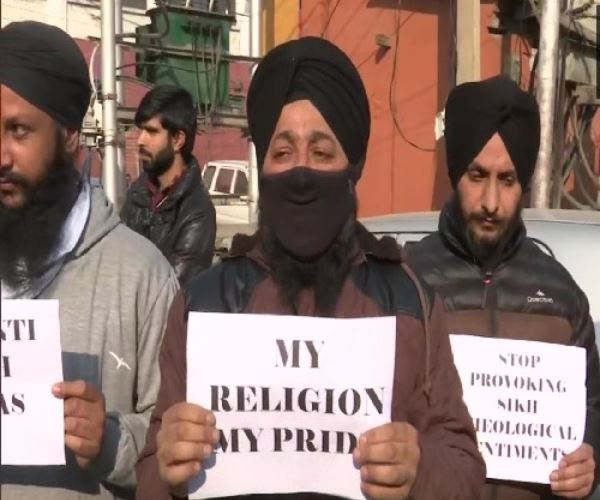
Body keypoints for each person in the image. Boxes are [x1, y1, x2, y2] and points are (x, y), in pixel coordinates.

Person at [135, 36, 485, 500]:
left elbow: (465, 471)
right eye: (283, 153)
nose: (301, 173)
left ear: (352, 167)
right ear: (263, 166)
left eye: (321, 153)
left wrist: (419, 466)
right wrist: (168, 470)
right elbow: (150, 476)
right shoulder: (204, 302)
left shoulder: (409, 301)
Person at [0, 21, 179, 499]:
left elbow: (179, 447)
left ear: (70, 136)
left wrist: (110, 441)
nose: (0, 155)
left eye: (19, 131)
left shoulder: (142, 277)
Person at [408, 75, 600, 500]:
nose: (491, 202)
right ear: (455, 173)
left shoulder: (561, 294)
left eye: (507, 180)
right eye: (477, 176)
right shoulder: (407, 282)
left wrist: (592, 457)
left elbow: (592, 405)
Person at [121, 85, 216, 285]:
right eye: (140, 129)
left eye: (151, 131)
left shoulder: (197, 212)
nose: (140, 140)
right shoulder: (137, 194)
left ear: (177, 140)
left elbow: (172, 289)